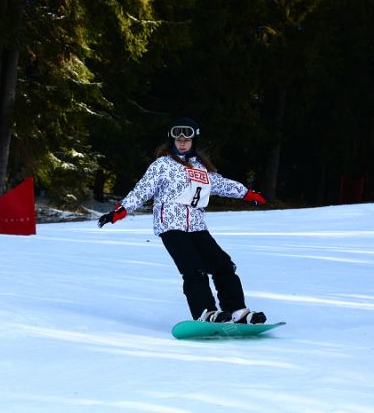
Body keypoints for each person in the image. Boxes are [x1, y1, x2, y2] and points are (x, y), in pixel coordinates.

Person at [98, 117, 268, 324]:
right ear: (171, 141)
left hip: (196, 225)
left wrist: (247, 193)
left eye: (186, 140)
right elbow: (143, 189)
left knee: (223, 265)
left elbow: (221, 184)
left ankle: (237, 311)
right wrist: (120, 210)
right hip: (170, 225)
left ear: (194, 141)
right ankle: (206, 312)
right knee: (193, 268)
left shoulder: (201, 167)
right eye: (177, 139)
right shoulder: (162, 165)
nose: (182, 143)